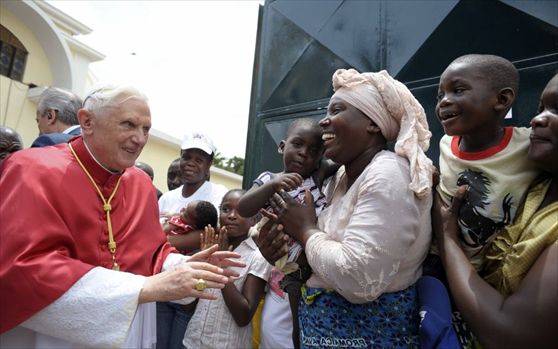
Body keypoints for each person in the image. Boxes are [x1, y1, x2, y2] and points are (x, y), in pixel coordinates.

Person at [0, 85, 243, 348]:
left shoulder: (140, 184)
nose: (140, 138)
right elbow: (20, 271)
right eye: (129, 124)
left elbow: (150, 253)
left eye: (146, 129)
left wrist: (181, 267)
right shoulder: (30, 169)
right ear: (87, 121)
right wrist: (143, 289)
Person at [257, 68, 435, 348]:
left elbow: (359, 280)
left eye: (337, 110)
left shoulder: (388, 175)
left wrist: (304, 230)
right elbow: (322, 263)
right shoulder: (339, 177)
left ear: (373, 123)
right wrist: (283, 260)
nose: (324, 121)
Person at [431, 73, 558, 349]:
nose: (537, 119)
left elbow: (510, 334)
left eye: (557, 109)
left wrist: (447, 239)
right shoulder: (536, 184)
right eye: (540, 109)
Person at [435, 54, 538, 271]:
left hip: (498, 270)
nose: (444, 100)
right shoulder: (445, 144)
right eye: (440, 94)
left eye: (458, 90)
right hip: (440, 261)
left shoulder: (527, 144)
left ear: (502, 100)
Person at [238, 118, 330, 349]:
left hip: (307, 262)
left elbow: (342, 159)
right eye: (297, 144)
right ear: (281, 146)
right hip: (279, 262)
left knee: (300, 322)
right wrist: (273, 185)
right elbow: (244, 208)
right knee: (276, 328)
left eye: (314, 150)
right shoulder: (268, 179)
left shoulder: (315, 178)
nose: (303, 154)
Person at [156, 131, 228, 349]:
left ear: (209, 165)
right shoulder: (168, 198)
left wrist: (162, 242)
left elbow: (211, 236)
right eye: (187, 157)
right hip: (162, 282)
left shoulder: (218, 194)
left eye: (199, 159)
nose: (190, 164)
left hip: (193, 290)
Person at [184, 189, 273, 349]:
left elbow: (243, 316)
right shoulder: (210, 247)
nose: (232, 215)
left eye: (241, 211)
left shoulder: (257, 257)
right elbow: (189, 305)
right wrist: (205, 268)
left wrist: (221, 268)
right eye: (226, 209)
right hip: (193, 341)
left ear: (254, 219)